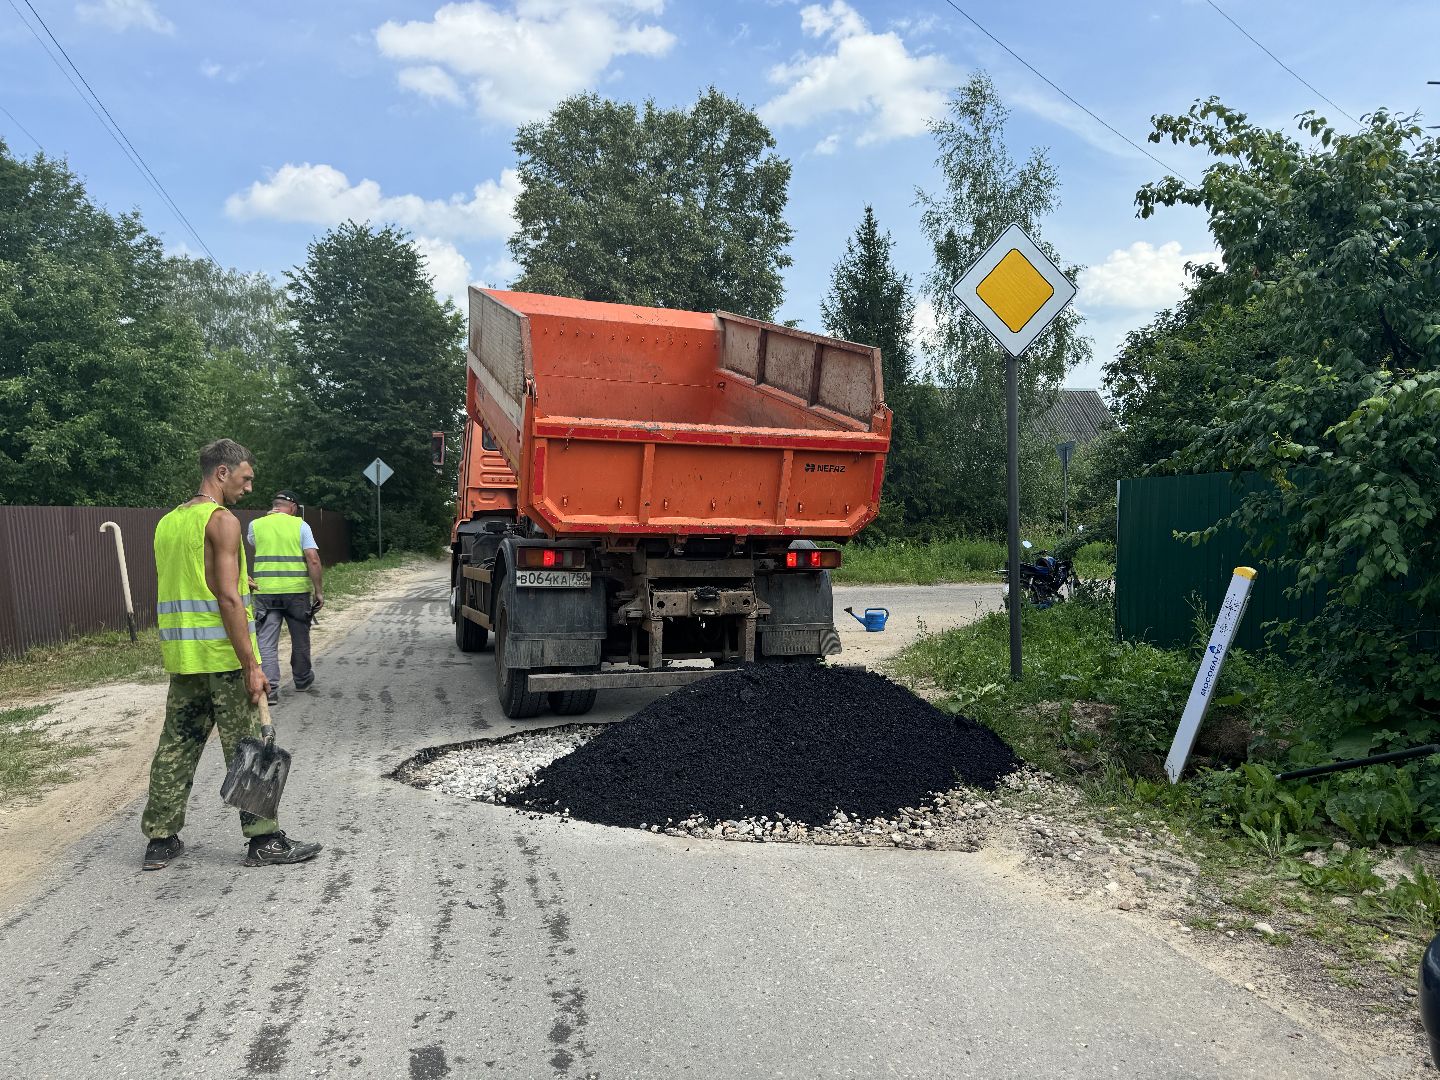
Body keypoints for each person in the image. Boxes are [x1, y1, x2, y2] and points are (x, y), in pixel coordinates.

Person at [141, 439, 322, 871]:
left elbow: (195, 581)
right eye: (245, 477)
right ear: (221, 472)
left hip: (183, 658)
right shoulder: (221, 521)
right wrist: (253, 666)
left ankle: (160, 840)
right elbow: (224, 598)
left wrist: (244, 582)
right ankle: (264, 840)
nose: (248, 487)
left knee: (176, 744)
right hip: (222, 658)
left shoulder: (169, 522)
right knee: (248, 746)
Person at [247, 490, 324, 706]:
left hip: (266, 593)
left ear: (274, 506)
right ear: (292, 508)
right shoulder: (301, 525)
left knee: (266, 642)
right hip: (296, 592)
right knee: (300, 637)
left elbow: (256, 545)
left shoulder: (256, 525)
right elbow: (313, 559)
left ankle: (270, 690)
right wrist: (318, 591)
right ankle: (302, 679)